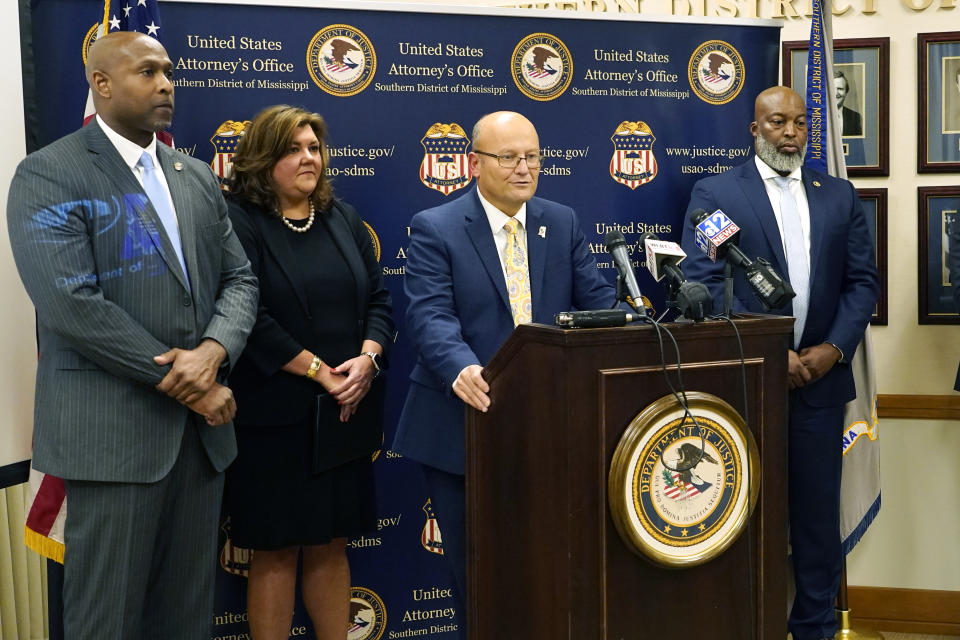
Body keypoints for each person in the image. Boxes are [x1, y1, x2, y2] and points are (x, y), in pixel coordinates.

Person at [6, 31, 258, 639]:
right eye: (148, 71)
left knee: (184, 619)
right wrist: (192, 384)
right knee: (107, 622)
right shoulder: (50, 172)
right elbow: (70, 303)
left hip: (197, 450)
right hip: (110, 443)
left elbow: (240, 280)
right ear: (102, 83)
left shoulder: (195, 175)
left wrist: (215, 350)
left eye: (169, 71)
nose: (167, 82)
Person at [392, 111, 617, 629]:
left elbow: (598, 303)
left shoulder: (561, 222)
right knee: (479, 578)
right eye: (509, 157)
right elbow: (429, 316)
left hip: (551, 431)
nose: (523, 168)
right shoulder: (437, 227)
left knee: (549, 573)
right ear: (474, 164)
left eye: (532, 157)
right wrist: (463, 368)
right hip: (463, 427)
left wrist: (630, 326)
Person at [680, 86, 879, 640]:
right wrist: (773, 352)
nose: (789, 133)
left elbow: (862, 284)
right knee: (743, 516)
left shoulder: (837, 196)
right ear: (754, 129)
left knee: (816, 523)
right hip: (745, 385)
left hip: (820, 384)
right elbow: (704, 282)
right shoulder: (717, 192)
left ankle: (812, 627)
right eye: (776, 123)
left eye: (798, 123)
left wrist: (834, 349)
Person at [224, 105, 394, 640]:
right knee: (275, 551)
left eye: (314, 148)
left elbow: (381, 300)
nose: (308, 158)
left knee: (331, 542)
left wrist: (367, 359)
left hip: (342, 414)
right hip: (272, 415)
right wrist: (321, 372)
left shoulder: (341, 217)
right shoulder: (238, 221)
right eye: (294, 148)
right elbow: (247, 315)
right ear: (262, 159)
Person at [833, 69, 863, 137]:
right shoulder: (816, 116)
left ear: (846, 92)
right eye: (832, 89)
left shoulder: (856, 117)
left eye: (840, 89)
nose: (835, 93)